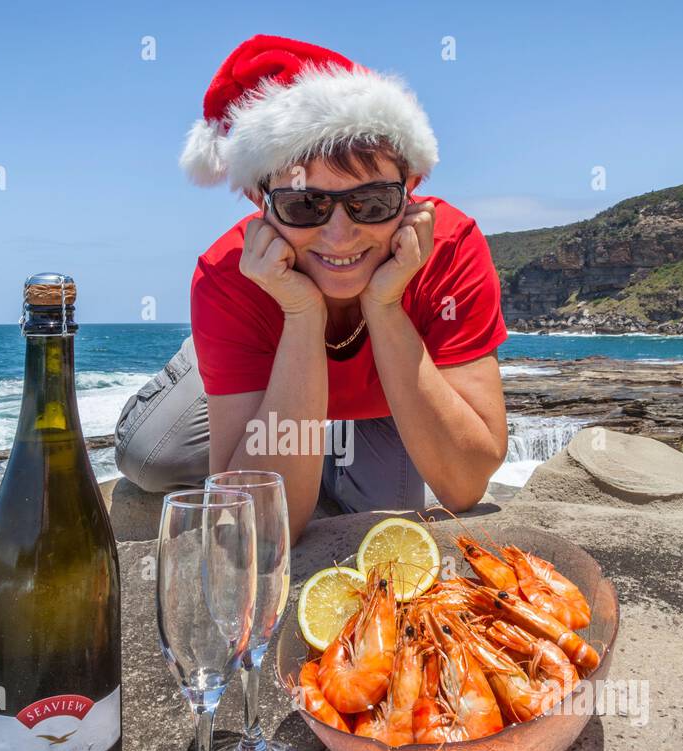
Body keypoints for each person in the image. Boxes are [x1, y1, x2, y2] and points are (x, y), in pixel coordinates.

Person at [115, 34, 509, 542]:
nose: (340, 235)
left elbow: (463, 485)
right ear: (261, 201)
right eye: (306, 206)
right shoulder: (229, 275)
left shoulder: (451, 247)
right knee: (150, 458)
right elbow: (259, 527)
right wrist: (300, 314)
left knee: (375, 526)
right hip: (267, 359)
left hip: (381, 399)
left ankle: (325, 435)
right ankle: (205, 361)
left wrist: (386, 306)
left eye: (371, 202)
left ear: (409, 190)